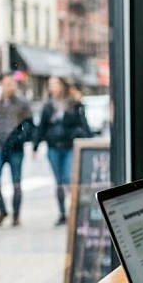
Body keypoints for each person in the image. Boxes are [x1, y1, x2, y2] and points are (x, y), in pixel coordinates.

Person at [33, 76, 91, 226]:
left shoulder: (73, 104)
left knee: (68, 179)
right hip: (53, 147)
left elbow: (84, 125)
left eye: (55, 84)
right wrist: (35, 146)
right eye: (50, 84)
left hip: (69, 147)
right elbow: (41, 128)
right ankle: (61, 213)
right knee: (58, 182)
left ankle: (74, 211)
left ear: (62, 85)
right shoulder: (48, 106)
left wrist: (89, 141)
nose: (53, 87)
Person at [0, 73, 33, 227]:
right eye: (6, 83)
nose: (9, 86)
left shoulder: (22, 102)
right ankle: (2, 210)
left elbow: (29, 124)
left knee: (16, 183)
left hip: (16, 148)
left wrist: (21, 137)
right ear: (1, 85)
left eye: (12, 83)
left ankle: (16, 214)